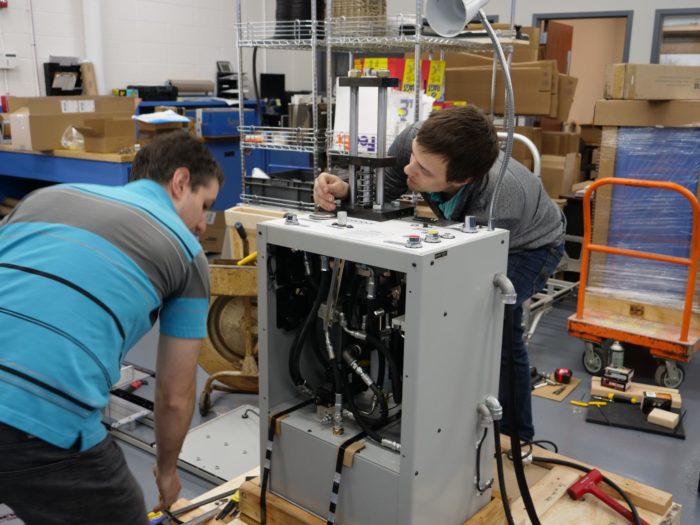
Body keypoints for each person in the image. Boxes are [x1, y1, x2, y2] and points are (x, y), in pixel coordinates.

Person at [0, 131, 223, 525]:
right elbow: (174, 395)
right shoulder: (187, 256)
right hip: (44, 423)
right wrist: (167, 473)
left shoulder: (44, 199)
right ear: (180, 182)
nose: (205, 226)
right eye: (205, 206)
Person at [314, 105, 565, 441]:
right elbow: (388, 183)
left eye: (424, 171)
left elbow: (469, 259)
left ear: (462, 180)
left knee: (494, 330)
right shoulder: (420, 139)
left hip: (529, 247)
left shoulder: (500, 197)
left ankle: (516, 438)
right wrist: (343, 187)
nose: (409, 167)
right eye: (413, 157)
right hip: (467, 232)